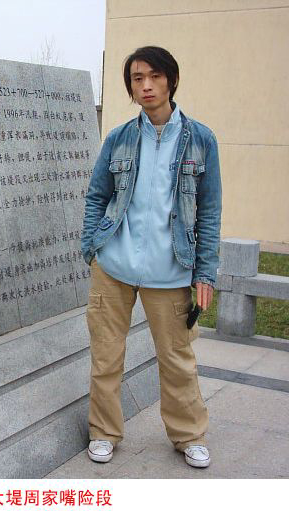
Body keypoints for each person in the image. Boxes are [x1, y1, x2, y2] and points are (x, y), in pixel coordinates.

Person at [80, 46, 221, 468]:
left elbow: (210, 211)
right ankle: (103, 432)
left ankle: (189, 435)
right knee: (106, 356)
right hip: (114, 266)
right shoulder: (119, 138)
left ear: (171, 80)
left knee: (177, 360)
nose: (146, 86)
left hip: (171, 270)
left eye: (155, 76)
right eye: (137, 78)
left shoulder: (201, 139)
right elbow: (97, 196)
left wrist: (205, 273)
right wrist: (92, 248)